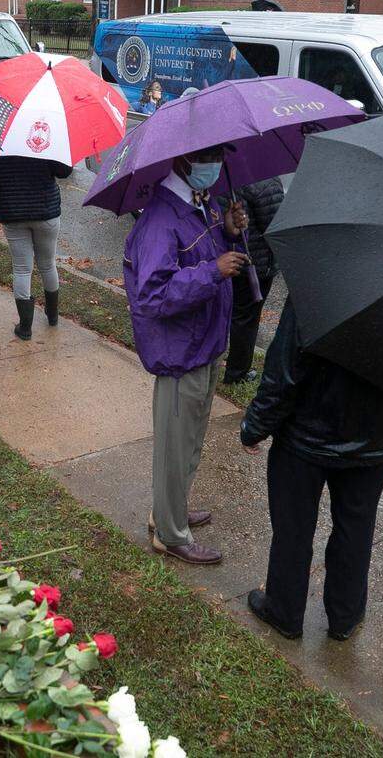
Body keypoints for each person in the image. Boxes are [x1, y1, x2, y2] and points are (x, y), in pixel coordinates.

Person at [241, 300, 383, 640]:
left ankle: (285, 611)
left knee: (293, 528)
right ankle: (345, 615)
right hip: (373, 436)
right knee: (356, 529)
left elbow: (283, 371)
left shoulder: (318, 278)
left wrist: (255, 426)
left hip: (306, 436)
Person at [123, 146, 248, 565]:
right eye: (209, 154)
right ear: (181, 158)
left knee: (189, 442)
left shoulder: (199, 204)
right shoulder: (161, 219)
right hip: (181, 352)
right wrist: (213, 270)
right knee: (176, 448)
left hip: (203, 344)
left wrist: (228, 232)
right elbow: (152, 295)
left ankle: (170, 509)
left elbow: (199, 254)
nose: (217, 163)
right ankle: (172, 534)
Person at [0, 155, 72, 340]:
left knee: (22, 269)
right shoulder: (46, 140)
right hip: (46, 211)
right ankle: (53, 316)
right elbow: (64, 172)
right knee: (48, 265)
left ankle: (25, 328)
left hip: (13, 212)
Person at [223, 177, 284, 385]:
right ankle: (236, 373)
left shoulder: (223, 177)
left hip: (226, 260)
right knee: (246, 320)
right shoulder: (265, 182)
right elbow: (277, 225)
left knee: (227, 313)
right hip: (254, 266)